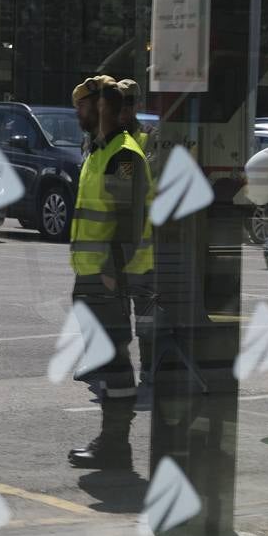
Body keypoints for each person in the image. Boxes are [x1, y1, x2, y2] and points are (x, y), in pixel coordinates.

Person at [66, 76, 154, 469]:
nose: (79, 112)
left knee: (115, 363)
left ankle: (116, 445)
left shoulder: (122, 155)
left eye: (85, 106)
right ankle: (111, 442)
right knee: (106, 362)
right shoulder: (101, 151)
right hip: (92, 274)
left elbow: (127, 222)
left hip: (108, 276)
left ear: (102, 109)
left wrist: (110, 272)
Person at [113, 78, 157, 399]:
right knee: (113, 313)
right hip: (112, 239)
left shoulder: (148, 138)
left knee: (144, 314)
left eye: (130, 101)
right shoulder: (102, 137)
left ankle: (148, 370)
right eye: (121, 100)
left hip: (140, 239)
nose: (125, 107)